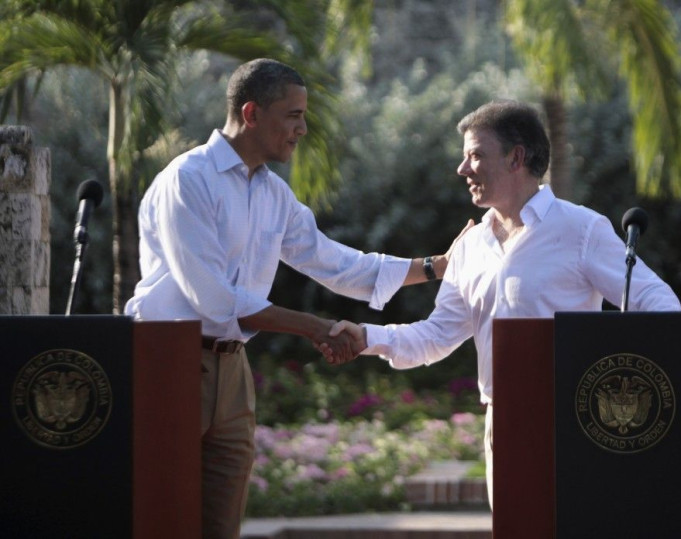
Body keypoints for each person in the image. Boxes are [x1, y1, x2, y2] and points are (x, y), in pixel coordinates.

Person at [124, 58, 470, 539]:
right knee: (163, 521)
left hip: (232, 371)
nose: (303, 129)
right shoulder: (187, 180)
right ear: (251, 114)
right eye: (293, 115)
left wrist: (435, 267)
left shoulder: (273, 194)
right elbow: (212, 298)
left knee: (221, 527)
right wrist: (313, 327)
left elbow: (337, 263)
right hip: (167, 363)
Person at [327, 99, 681, 512]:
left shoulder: (581, 228)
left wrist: (639, 371)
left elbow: (656, 299)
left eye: (475, 155)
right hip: (503, 420)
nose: (463, 170)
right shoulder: (470, 247)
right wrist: (365, 336)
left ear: (517, 157)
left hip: (580, 419)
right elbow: (436, 336)